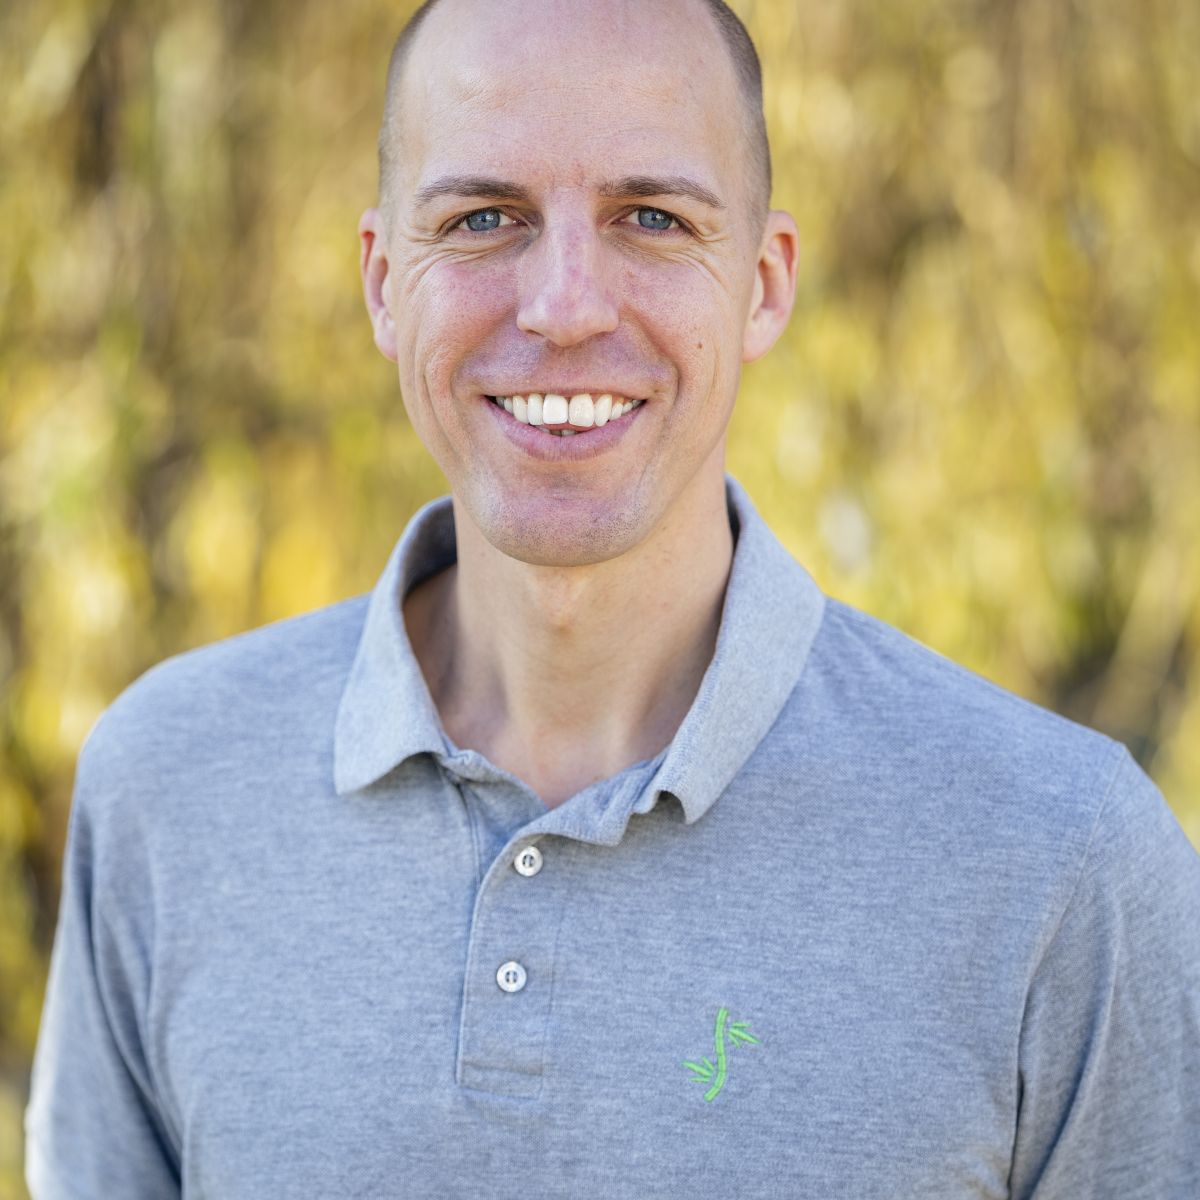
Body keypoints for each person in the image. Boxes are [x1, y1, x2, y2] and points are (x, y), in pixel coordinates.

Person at [25, 0, 1200, 1196]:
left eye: (653, 218)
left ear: (763, 284)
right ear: (384, 284)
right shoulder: (168, 787)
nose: (566, 305)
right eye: (483, 218)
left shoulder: (1061, 859)